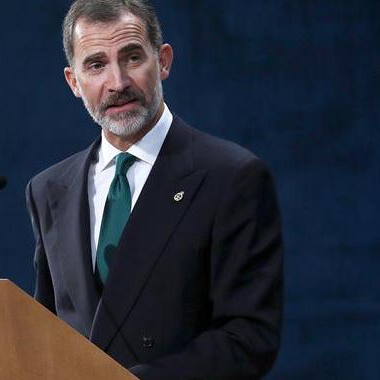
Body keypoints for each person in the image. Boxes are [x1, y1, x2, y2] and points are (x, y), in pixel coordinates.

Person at [25, 1, 283, 379]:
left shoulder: (232, 176)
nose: (117, 82)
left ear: (162, 61)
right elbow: (47, 328)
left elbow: (249, 338)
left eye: (131, 58)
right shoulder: (49, 189)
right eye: (96, 65)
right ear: (74, 83)